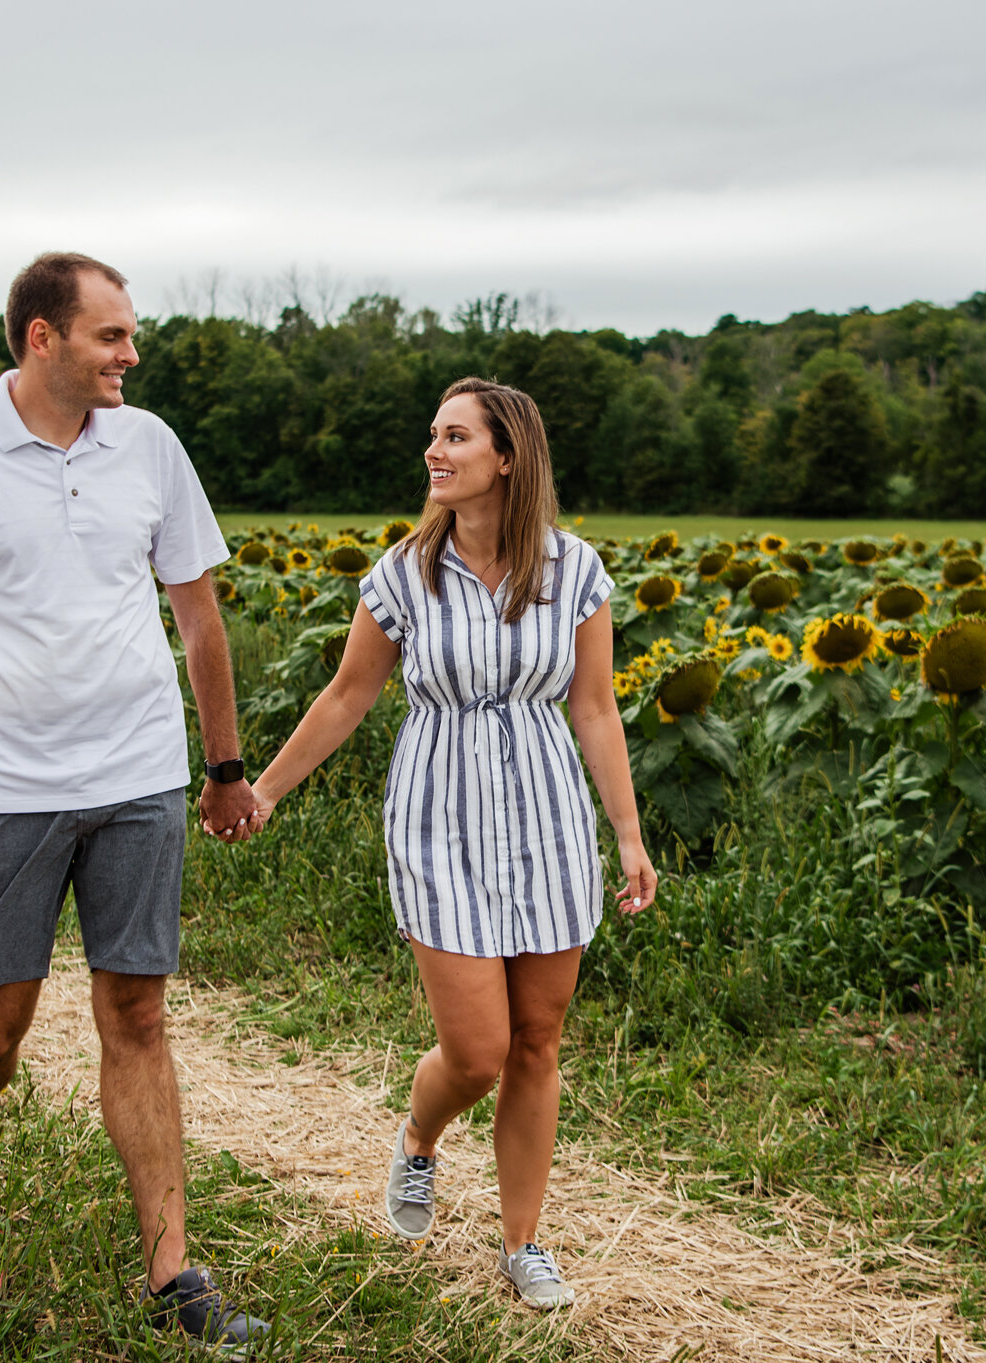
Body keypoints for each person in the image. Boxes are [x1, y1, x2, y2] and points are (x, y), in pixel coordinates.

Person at [0, 251, 268, 1355]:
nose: (131, 354)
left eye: (129, 334)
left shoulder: (150, 445)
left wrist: (224, 766)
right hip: (4, 791)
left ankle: (173, 1272)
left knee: (137, 1014)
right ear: (41, 338)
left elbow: (198, 613)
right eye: (110, 336)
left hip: (139, 775)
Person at [246, 376, 658, 1309]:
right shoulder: (401, 576)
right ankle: (420, 1141)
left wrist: (627, 833)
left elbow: (594, 706)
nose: (435, 451)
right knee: (476, 1052)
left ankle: (522, 1243)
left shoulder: (575, 570)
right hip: (439, 820)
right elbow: (348, 695)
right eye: (433, 436)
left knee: (539, 1042)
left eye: (456, 437)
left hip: (550, 818)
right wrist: (265, 789)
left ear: (506, 457)